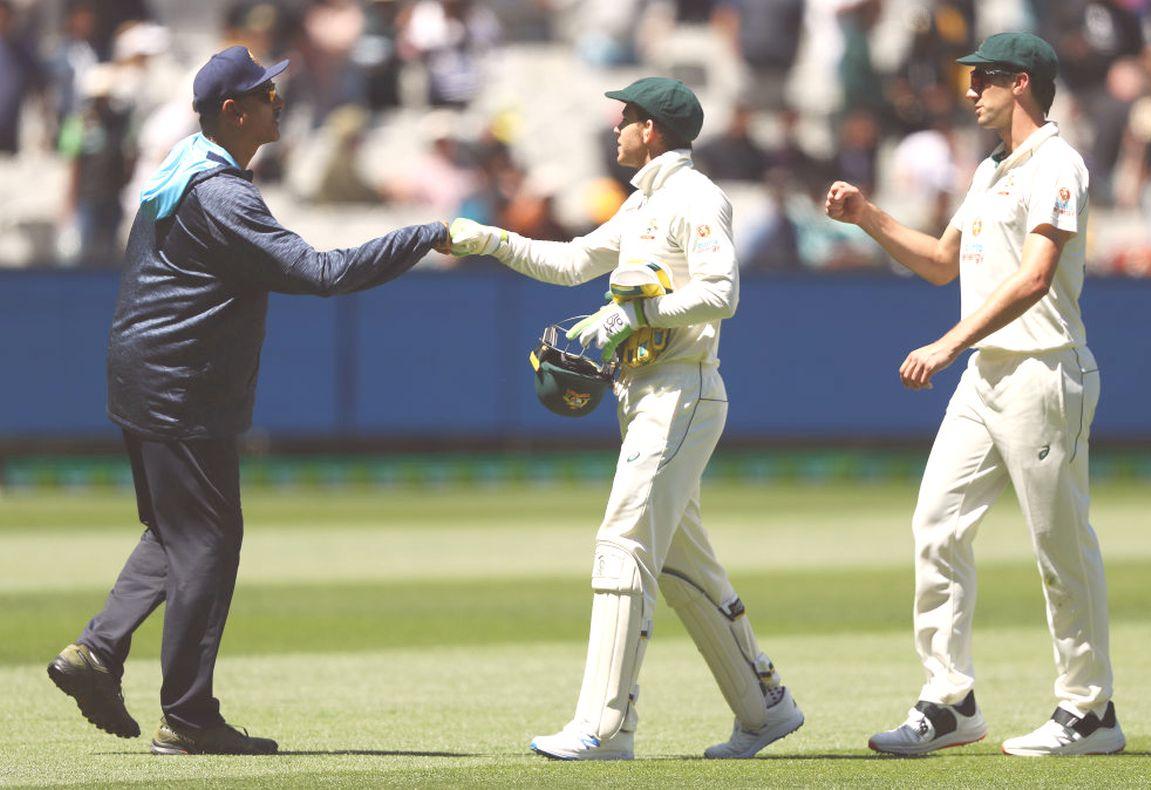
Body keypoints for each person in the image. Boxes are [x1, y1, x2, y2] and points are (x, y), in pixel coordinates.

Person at [46, 45, 448, 755]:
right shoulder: (222, 194)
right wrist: (428, 234)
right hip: (181, 390)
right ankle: (190, 718)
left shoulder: (185, 168)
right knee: (208, 540)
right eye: (266, 94)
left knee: (175, 534)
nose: (278, 102)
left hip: (146, 379)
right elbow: (322, 273)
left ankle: (97, 653)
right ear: (234, 112)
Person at [448, 77, 804, 761]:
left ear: (657, 130)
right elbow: (574, 261)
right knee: (679, 566)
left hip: (684, 390)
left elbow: (722, 293)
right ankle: (766, 707)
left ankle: (606, 727)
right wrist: (491, 239)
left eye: (627, 118)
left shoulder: (698, 198)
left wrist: (637, 312)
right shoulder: (645, 202)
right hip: (645, 393)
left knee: (622, 544)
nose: (616, 128)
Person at [825, 32, 1124, 757]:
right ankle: (950, 700)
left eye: (982, 78)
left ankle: (1090, 712)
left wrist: (948, 341)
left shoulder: (1057, 163)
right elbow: (940, 262)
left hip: (1044, 372)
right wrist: (869, 215)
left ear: (1021, 82)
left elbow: (1035, 277)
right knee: (936, 524)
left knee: (1058, 545)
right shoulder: (991, 169)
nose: (969, 91)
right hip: (986, 376)